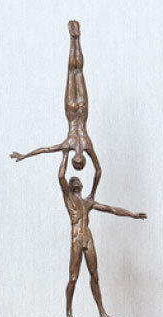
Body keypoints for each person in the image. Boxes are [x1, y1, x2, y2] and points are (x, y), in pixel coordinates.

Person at [11, 20, 102, 198]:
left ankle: (74, 39)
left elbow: (45, 150)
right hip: (77, 111)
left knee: (75, 72)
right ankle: (75, 39)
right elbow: (98, 170)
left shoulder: (77, 144)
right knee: (76, 72)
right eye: (79, 163)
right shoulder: (78, 144)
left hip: (76, 111)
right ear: (80, 160)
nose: (78, 160)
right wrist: (92, 193)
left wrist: (24, 155)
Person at [58, 152, 146, 317]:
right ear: (69, 186)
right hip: (76, 238)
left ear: (81, 185)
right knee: (73, 277)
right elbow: (61, 176)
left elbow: (111, 209)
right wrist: (65, 154)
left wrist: (132, 214)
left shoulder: (88, 202)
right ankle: (68, 313)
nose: (74, 181)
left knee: (95, 276)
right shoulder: (68, 199)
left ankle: (102, 313)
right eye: (72, 180)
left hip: (88, 238)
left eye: (77, 180)